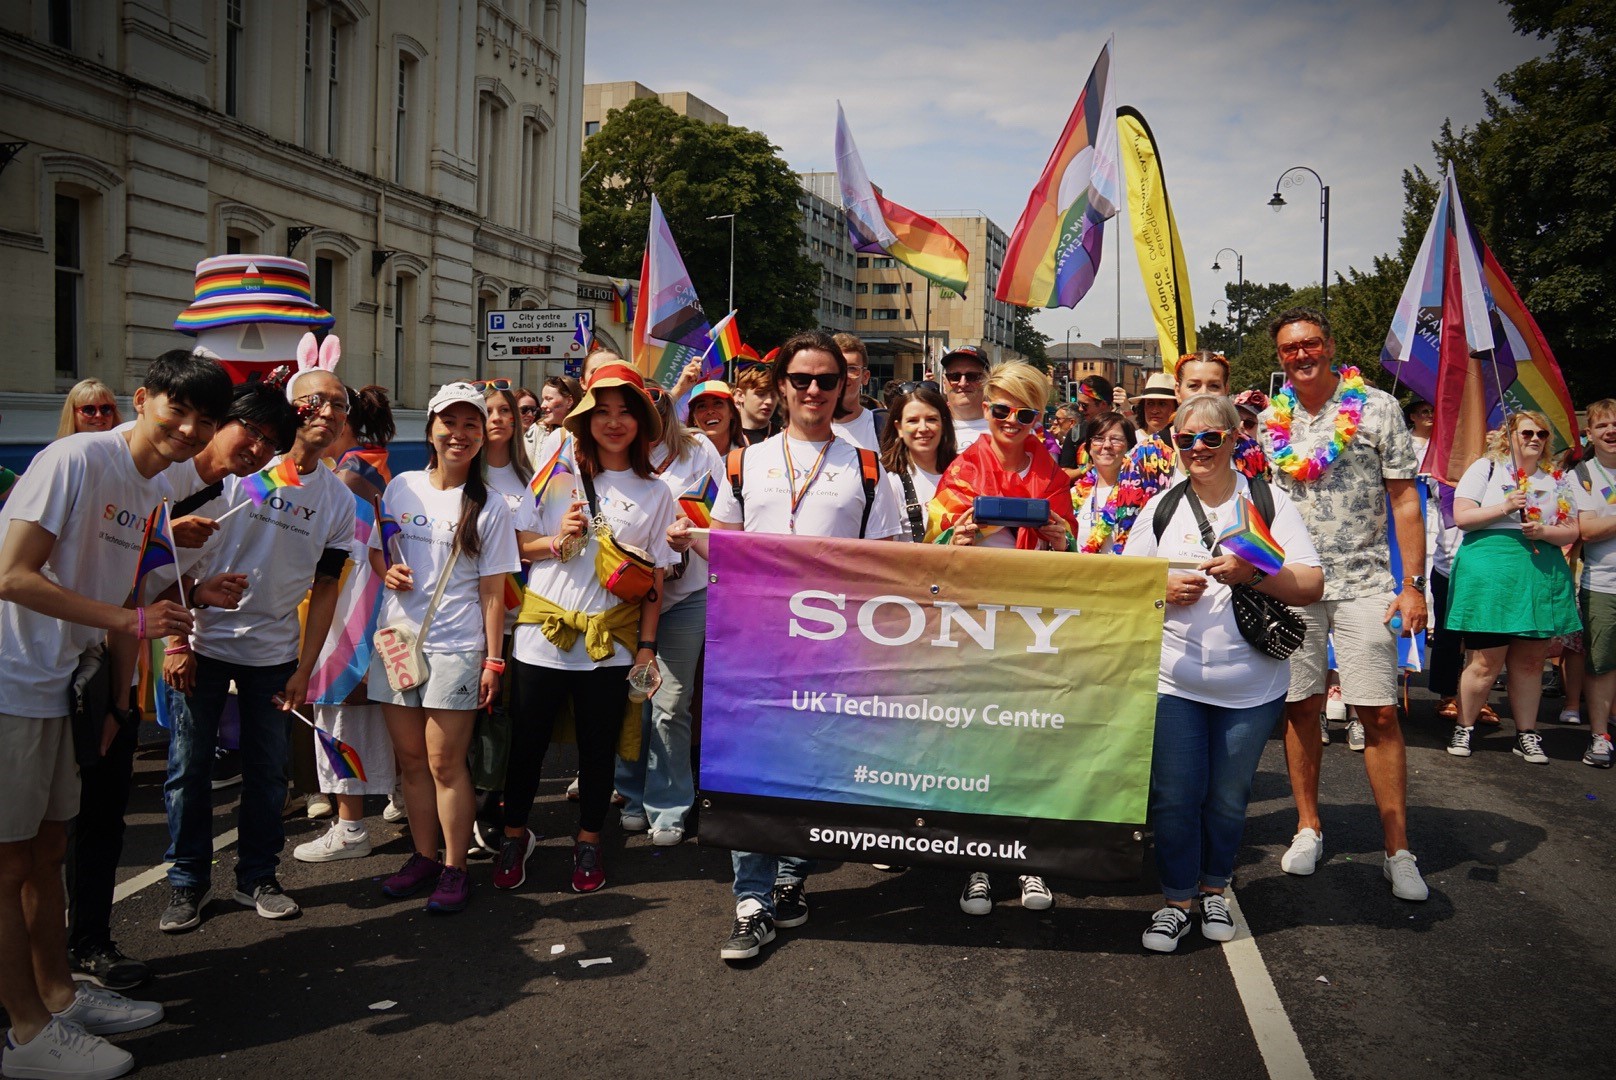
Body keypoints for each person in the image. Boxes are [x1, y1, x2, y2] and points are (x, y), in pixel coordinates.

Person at [0, 350, 230, 1079]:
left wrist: (173, 599)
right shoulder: (76, 458)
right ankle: (26, 1034)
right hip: (11, 683)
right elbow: (11, 574)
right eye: (177, 411)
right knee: (7, 866)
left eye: (204, 420)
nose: (189, 430)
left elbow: (122, 582)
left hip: (64, 686)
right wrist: (128, 622)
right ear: (142, 398)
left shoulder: (149, 484)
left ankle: (60, 997)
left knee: (45, 853)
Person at [69, 379, 293, 991]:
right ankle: (177, 891)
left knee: (97, 821)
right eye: (249, 430)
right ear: (144, 403)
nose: (257, 449)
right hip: (52, 673)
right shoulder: (100, 465)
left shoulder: (208, 489)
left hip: (111, 668)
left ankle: (86, 949)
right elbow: (35, 573)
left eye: (272, 443)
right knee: (173, 776)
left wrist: (189, 588)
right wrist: (170, 634)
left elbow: (139, 584)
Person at [699, 330, 905, 961]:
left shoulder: (870, 471)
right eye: (800, 379)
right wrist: (693, 538)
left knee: (810, 769)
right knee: (751, 771)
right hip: (754, 642)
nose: (813, 390)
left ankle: (791, 875)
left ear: (844, 387)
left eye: (826, 380)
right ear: (780, 385)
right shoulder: (743, 463)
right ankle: (752, 898)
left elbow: (888, 565)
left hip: (831, 645)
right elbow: (725, 548)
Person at [160, 349, 357, 931]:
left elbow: (326, 588)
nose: (327, 411)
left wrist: (306, 666)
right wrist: (175, 641)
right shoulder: (239, 469)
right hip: (201, 641)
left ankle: (257, 877)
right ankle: (187, 882)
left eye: (339, 405)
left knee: (269, 774)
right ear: (290, 407)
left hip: (273, 656)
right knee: (188, 770)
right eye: (314, 399)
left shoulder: (338, 500)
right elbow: (165, 552)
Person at [1123, 394, 1324, 951]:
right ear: (1174, 445)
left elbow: (1310, 586)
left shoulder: (1270, 502)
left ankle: (1215, 889)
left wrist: (1254, 572)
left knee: (1229, 798)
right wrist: (1157, 588)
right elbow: (1118, 586)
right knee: (1174, 796)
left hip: (1251, 686)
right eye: (1186, 439)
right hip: (1175, 681)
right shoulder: (1160, 508)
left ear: (1236, 439)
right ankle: (1175, 900)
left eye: (1211, 437)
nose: (1198, 449)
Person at [1258, 308, 1430, 901]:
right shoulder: (1269, 422)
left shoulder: (1377, 408)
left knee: (1377, 712)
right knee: (1300, 707)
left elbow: (1405, 499)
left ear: (1330, 346)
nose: (1300, 355)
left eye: (1309, 344)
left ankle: (1398, 849)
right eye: (1288, 348)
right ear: (1279, 357)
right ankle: (1308, 827)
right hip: (1295, 583)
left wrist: (1414, 585)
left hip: (1365, 581)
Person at [495, 363, 675, 894]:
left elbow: (653, 582)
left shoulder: (655, 492)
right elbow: (517, 545)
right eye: (603, 412)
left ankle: (590, 841)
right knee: (526, 745)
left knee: (598, 752)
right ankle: (513, 834)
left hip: (610, 646)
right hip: (541, 633)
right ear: (586, 418)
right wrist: (555, 541)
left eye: (626, 412)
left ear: (642, 423)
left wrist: (646, 649)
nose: (614, 423)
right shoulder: (555, 470)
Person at [924, 360, 1075, 916]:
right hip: (970, 628)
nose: (1012, 420)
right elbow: (931, 550)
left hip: (1034, 630)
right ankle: (979, 864)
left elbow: (1073, 557)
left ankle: (1031, 860)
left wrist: (1062, 537)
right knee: (975, 746)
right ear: (985, 407)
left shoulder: (1054, 476)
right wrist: (954, 537)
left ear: (1039, 417)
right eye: (1001, 409)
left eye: (1026, 412)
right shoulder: (962, 468)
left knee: (1030, 743)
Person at [368, 384, 517, 914]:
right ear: (430, 428)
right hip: (398, 642)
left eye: (470, 426)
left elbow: (493, 593)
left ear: (482, 435)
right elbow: (375, 555)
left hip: (458, 647)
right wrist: (389, 572)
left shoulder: (491, 505)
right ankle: (423, 856)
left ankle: (455, 866)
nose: (459, 434)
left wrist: (493, 661)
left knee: (445, 763)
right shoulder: (400, 488)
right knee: (410, 761)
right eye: (449, 423)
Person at [293, 384, 404, 861]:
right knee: (383, 715)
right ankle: (393, 798)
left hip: (347, 619)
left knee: (341, 720)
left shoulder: (347, 476)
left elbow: (341, 559)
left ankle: (351, 825)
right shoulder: (374, 465)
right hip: (375, 615)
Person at [615, 386, 724, 843]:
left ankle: (669, 805)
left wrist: (691, 533)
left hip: (686, 593)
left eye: (656, 403)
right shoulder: (613, 453)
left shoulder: (699, 451)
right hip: (624, 599)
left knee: (672, 702)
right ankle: (631, 792)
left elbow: (724, 518)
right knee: (631, 701)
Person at [1445, 412, 1580, 762]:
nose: (1535, 438)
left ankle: (1526, 734)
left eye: (1542, 434)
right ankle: (1465, 726)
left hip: (1539, 570)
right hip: (1492, 570)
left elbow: (1571, 529)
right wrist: (1504, 506)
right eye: (1527, 432)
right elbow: (1462, 516)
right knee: (1485, 661)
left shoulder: (1557, 479)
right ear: (1509, 436)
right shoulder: (1486, 468)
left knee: (1532, 662)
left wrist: (1545, 531)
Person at [1573, 400, 1616, 767]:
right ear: (1590, 434)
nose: (1611, 431)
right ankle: (1599, 736)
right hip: (1604, 585)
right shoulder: (1583, 475)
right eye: (1602, 426)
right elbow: (1587, 530)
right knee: (1601, 663)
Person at [879, 384, 957, 542]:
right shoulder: (889, 482)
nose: (923, 428)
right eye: (913, 421)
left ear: (943, 424)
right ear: (899, 427)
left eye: (931, 419)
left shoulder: (965, 473)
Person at [1072, 412, 1139, 553]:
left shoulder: (1138, 495)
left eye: (1116, 439)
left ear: (1129, 447)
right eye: (1099, 438)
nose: (1107, 445)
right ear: (1089, 448)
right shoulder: (1073, 495)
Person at [831, 332, 886, 450]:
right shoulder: (805, 430)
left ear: (865, 377)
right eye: (836, 368)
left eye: (852, 368)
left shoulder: (883, 430)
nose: (844, 376)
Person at [940, 345, 992, 447]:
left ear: (988, 381)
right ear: (943, 383)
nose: (962, 383)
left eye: (972, 376)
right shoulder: (929, 428)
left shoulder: (1007, 425)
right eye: (955, 376)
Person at [687, 379, 745, 457]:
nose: (710, 411)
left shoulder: (748, 457)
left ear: (731, 412)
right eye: (702, 406)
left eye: (717, 403)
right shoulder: (682, 459)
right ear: (693, 418)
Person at [56, 378, 122, 438]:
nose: (98, 415)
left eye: (106, 409)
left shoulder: (125, 450)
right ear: (72, 414)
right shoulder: (62, 450)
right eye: (89, 410)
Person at [732, 362, 779, 445]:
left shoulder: (784, 438)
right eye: (761, 394)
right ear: (740, 395)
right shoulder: (725, 437)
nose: (769, 401)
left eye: (774, 395)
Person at [1406, 400, 1435, 467]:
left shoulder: (1442, 440)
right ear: (1413, 417)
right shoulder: (1403, 441)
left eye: (1433, 411)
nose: (1430, 415)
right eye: (1425, 412)